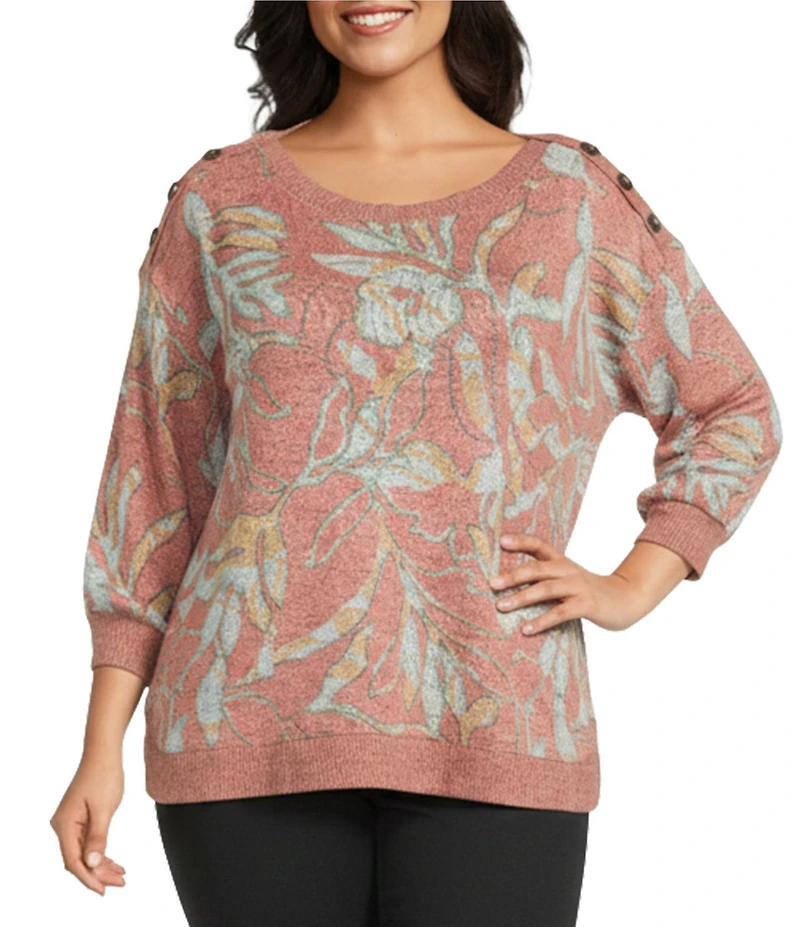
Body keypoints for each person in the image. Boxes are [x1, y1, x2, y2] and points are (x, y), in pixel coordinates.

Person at [50, 2, 783, 925]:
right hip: (240, 738)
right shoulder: (220, 203)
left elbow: (730, 407)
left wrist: (636, 582)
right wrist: (100, 745)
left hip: (500, 725)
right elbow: (153, 481)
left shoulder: (569, 198)